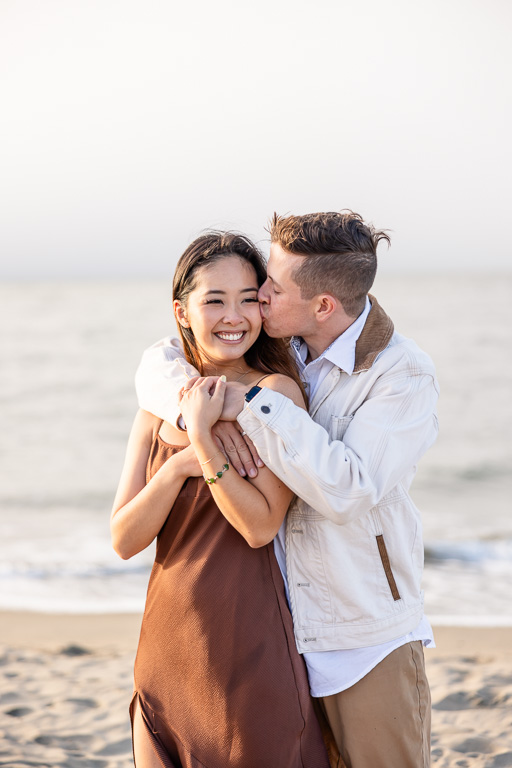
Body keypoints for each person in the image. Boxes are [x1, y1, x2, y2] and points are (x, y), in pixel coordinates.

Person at [135, 211, 440, 768]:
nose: (259, 300)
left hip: (360, 636)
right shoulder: (288, 345)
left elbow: (349, 491)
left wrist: (243, 405)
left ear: (323, 305)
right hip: (276, 632)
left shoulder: (401, 377)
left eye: (270, 289)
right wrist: (194, 404)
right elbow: (159, 360)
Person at [111, 231, 334, 768]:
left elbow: (259, 526)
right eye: (214, 300)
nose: (234, 316)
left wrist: (206, 444)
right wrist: (180, 465)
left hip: (249, 639)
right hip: (167, 643)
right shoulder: (158, 406)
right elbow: (124, 538)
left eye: (248, 298)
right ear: (181, 312)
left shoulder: (277, 394)